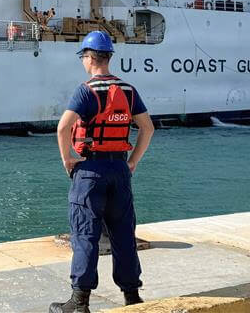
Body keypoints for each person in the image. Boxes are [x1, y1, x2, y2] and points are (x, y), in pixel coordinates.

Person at [49, 31, 154, 313]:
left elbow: (63, 127)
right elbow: (148, 128)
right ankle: (131, 296)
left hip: (90, 170)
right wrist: (132, 162)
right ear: (108, 57)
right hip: (119, 169)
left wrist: (67, 159)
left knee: (85, 234)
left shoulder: (86, 91)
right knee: (123, 234)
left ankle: (79, 302)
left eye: (83, 57)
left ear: (89, 57)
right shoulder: (129, 91)